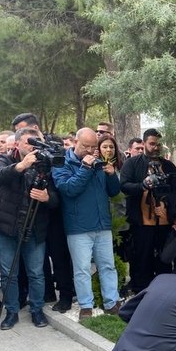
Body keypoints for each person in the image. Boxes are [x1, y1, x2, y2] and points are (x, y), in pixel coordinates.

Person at [0, 127, 59, 329]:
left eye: (37, 142)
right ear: (18, 143)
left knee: (36, 272)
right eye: (30, 142)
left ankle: (37, 309)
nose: (33, 147)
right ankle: (11, 311)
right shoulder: (5, 159)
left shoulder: (46, 164)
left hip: (35, 227)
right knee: (8, 273)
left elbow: (57, 198)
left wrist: (48, 198)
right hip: (7, 226)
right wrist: (21, 166)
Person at [53, 128, 122, 321]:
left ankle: (112, 302)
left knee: (108, 265)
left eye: (94, 146)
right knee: (82, 268)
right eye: (86, 146)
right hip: (78, 227)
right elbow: (68, 189)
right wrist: (84, 168)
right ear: (76, 142)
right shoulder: (62, 163)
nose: (91, 150)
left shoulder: (99, 162)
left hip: (102, 224)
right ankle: (85, 306)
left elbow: (114, 192)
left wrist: (111, 174)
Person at [120, 129, 176, 294]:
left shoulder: (169, 166)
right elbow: (124, 185)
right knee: (141, 259)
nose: (155, 147)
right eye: (152, 144)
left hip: (164, 221)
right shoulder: (132, 164)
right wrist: (142, 185)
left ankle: (164, 292)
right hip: (141, 223)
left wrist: (166, 203)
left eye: (158, 144)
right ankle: (141, 292)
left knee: (164, 259)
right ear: (144, 143)